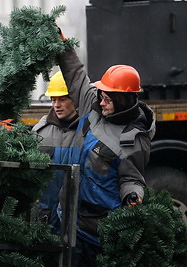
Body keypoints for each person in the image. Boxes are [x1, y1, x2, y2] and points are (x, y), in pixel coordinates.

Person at [57, 45, 156, 266]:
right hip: (68, 220)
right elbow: (76, 76)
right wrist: (62, 45)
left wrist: (133, 197)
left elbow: (132, 179)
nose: (101, 103)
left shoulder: (134, 139)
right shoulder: (93, 108)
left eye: (107, 100)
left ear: (122, 100)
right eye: (101, 97)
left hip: (96, 235)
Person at [32, 71, 78, 235]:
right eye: (53, 99)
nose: (56, 104)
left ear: (75, 99)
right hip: (46, 218)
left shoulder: (89, 132)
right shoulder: (40, 131)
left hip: (77, 221)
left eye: (62, 99)